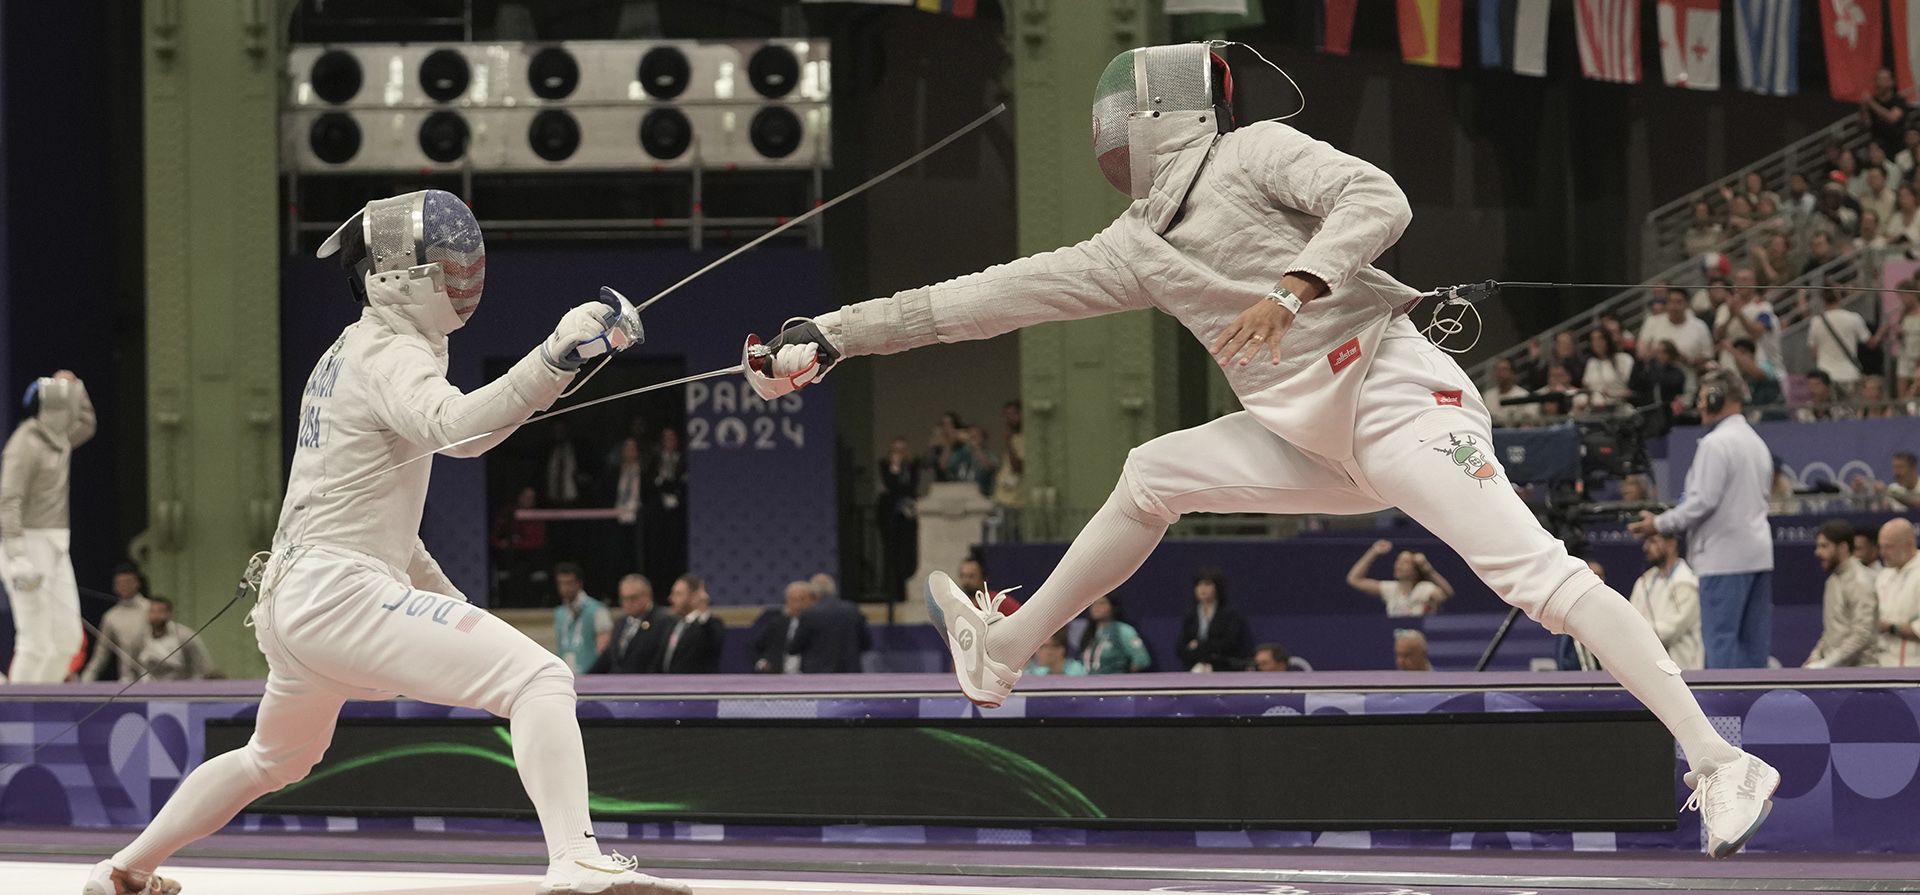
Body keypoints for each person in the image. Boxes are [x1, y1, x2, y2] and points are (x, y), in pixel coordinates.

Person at [749, 44, 1774, 855]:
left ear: (1158, 115)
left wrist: (1293, 289)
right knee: (1151, 475)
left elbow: (1378, 199)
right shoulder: (1133, 246)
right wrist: (833, 334)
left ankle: (1720, 759)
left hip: (1396, 400)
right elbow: (981, 299)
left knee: (1536, 576)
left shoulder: (1254, 153)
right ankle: (1006, 651)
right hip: (1305, 440)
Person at [83, 190, 686, 895]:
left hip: (300, 600)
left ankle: (125, 868)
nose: (463, 274)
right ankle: (575, 859)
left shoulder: (352, 350)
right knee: (539, 678)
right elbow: (458, 430)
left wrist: (456, 607)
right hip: (336, 595)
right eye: (448, 262)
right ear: (399, 275)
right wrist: (554, 358)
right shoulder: (389, 353)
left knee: (273, 759)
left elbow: (391, 535)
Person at [1629, 369, 1774, 669]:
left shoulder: (1715, 444)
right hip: (1758, 557)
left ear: (1717, 398)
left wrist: (1658, 524)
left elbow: (1702, 502)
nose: (1699, 405)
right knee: (1754, 651)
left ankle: (1724, 703)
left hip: (1724, 560)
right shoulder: (1757, 442)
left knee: (1721, 646)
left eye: (1703, 397)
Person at [1, 371, 95, 684]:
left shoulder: (59, 440)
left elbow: (87, 423)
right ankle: (13, 711)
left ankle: (44, 706)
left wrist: (77, 386)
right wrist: (17, 556)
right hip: (25, 545)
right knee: (36, 642)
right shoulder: (24, 443)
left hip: (56, 545)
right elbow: (8, 500)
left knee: (67, 640)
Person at [1804, 521, 1879, 669]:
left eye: (1824, 546)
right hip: (1836, 669)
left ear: (1843, 547)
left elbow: (1862, 635)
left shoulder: (1861, 582)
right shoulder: (1832, 581)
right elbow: (1831, 632)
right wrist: (1815, 657)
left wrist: (1826, 664)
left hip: (1863, 673)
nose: (1817, 552)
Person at [1628, 534, 1703, 671]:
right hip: (1645, 667)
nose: (1646, 547)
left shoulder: (1686, 583)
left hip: (1682, 670)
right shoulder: (1644, 580)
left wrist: (1633, 634)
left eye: (1653, 541)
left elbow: (1671, 630)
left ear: (1671, 544)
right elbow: (1630, 619)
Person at [79, 564, 153, 683]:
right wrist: (84, 683)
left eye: (128, 582)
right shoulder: (111, 617)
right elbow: (101, 654)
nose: (124, 586)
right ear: (115, 587)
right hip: (127, 680)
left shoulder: (151, 609)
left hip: (156, 678)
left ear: (137, 583)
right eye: (120, 583)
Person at [587, 574, 672, 675]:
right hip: (616, 682)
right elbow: (608, 658)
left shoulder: (663, 622)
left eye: (633, 598)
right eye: (624, 598)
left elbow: (658, 661)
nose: (628, 603)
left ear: (648, 596)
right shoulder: (621, 623)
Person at [1345, 539, 1454, 617]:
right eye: (1398, 560)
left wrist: (1428, 569)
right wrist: (1373, 552)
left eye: (1405, 562)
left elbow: (1447, 594)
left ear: (1415, 570)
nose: (1399, 565)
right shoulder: (1391, 589)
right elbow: (1354, 579)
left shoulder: (1425, 588)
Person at [789, 573, 871, 673]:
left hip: (816, 675)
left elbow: (794, 648)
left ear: (813, 593)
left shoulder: (809, 614)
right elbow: (866, 643)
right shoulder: (852, 610)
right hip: (849, 674)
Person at [1176, 568, 1253, 672]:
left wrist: (1200, 645)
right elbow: (1181, 647)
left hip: (1223, 668)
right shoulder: (1190, 616)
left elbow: (1229, 643)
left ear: (1217, 587)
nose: (1202, 589)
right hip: (1194, 667)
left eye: (1207, 584)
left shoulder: (1230, 615)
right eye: (1199, 585)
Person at [877, 436, 921, 601]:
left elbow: (911, 487)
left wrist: (898, 486)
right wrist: (894, 468)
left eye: (902, 451)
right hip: (889, 516)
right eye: (895, 451)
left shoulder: (912, 466)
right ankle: (891, 592)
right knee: (891, 554)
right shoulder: (884, 465)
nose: (899, 455)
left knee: (906, 554)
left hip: (907, 517)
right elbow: (891, 485)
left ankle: (904, 590)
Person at [1802, 292, 1875, 392]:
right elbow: (1870, 343)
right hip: (1849, 373)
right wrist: (1883, 331)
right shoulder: (1854, 318)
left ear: (1822, 301)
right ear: (1839, 298)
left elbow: (1814, 354)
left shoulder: (1816, 321)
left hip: (1825, 375)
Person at [133, 597, 219, 682]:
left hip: (181, 686)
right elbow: (133, 666)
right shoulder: (140, 638)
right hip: (148, 687)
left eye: (160, 611)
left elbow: (203, 665)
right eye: (152, 611)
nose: (156, 616)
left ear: (170, 614)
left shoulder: (185, 636)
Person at [642, 429, 688, 588]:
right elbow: (648, 483)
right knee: (658, 550)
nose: (669, 442)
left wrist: (674, 488)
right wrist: (661, 485)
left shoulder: (684, 460)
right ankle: (659, 586)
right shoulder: (655, 460)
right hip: (658, 513)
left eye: (672, 438)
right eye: (666, 438)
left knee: (675, 549)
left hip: (678, 513)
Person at [550, 562, 612, 676]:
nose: (564, 588)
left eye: (569, 583)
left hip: (591, 675)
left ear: (579, 583)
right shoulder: (559, 613)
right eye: (561, 583)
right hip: (567, 674)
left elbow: (604, 648)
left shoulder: (597, 610)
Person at [1875, 519, 1920, 667]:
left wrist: (1891, 628)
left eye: (1889, 547)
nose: (1882, 553)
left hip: (1914, 669)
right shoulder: (1884, 576)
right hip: (1884, 667)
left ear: (1909, 544)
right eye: (1881, 547)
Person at [660, 573, 724, 674]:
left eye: (678, 594)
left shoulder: (709, 625)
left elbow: (714, 642)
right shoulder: (671, 624)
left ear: (694, 597)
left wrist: (703, 610)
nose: (671, 598)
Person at [1076, 593, 1150, 674]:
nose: (1096, 607)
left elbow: (1142, 660)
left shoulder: (1122, 630)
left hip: (1114, 679)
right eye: (1093, 604)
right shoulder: (1089, 632)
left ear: (1113, 607)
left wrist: (1124, 678)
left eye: (1102, 603)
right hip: (1088, 680)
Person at [751, 580, 814, 673]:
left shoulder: (817, 626)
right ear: (787, 602)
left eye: (802, 599)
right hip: (779, 676)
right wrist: (761, 663)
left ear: (811, 601)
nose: (798, 605)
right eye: (793, 600)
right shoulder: (777, 624)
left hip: (809, 676)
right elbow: (754, 646)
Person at [992, 401, 1026, 542]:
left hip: (1016, 500)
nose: (1010, 418)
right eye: (1007, 415)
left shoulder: (1024, 439)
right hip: (1002, 497)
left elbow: (1017, 466)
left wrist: (1009, 444)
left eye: (1014, 414)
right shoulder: (1013, 437)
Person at [1863, 68, 1911, 157]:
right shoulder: (1873, 102)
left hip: (1899, 147)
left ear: (1892, 82)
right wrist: (1864, 108)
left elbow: (1892, 117)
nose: (1880, 83)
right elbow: (1866, 124)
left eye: (1884, 79)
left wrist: (1871, 103)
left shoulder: (1898, 100)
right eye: (1878, 79)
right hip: (1881, 150)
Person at [1480, 356, 1537, 422]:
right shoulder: (1488, 396)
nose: (1500, 373)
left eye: (1504, 370)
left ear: (1513, 373)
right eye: (1497, 370)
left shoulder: (1524, 396)